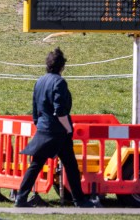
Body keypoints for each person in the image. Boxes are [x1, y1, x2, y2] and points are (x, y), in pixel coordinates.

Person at [14, 48, 96, 208]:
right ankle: (80, 200)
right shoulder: (59, 82)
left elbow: (35, 108)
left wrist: (40, 124)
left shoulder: (40, 81)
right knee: (71, 167)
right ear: (61, 66)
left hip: (44, 128)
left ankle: (21, 198)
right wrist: (68, 129)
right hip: (58, 131)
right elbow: (60, 110)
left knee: (37, 164)